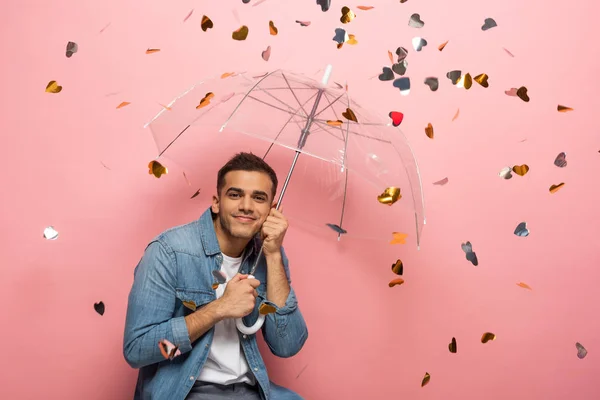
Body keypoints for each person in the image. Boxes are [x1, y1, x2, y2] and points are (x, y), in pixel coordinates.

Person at [123, 152, 308, 400]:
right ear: (216, 202)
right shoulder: (170, 252)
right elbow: (139, 351)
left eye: (259, 198)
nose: (246, 205)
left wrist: (274, 255)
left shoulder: (269, 254)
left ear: (271, 210)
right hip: (186, 391)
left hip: (251, 389)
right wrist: (219, 309)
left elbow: (286, 346)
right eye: (235, 194)